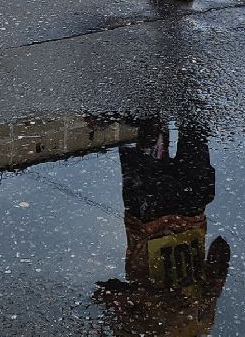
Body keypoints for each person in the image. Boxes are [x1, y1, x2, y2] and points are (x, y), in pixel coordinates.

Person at [95, 118, 230, 336]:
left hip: (149, 216)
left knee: (152, 122)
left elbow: (106, 292)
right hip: (191, 208)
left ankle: (152, 94)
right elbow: (221, 251)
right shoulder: (200, 327)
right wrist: (214, 285)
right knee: (194, 120)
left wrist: (153, 300)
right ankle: (181, 90)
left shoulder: (135, 331)